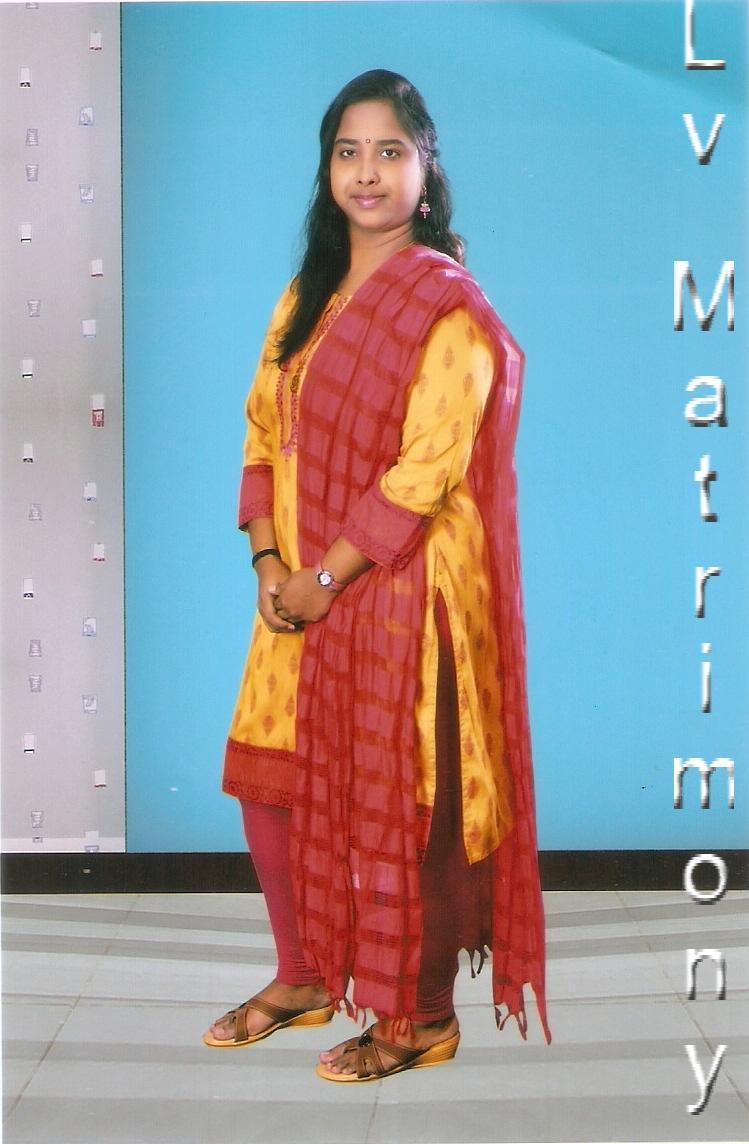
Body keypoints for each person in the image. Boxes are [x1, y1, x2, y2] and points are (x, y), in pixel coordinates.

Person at [204, 69, 550, 1081]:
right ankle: (304, 974)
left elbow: (427, 469)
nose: (367, 172)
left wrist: (327, 577)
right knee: (268, 778)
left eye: (389, 152)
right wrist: (269, 559)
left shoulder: (446, 305)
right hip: (299, 583)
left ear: (425, 170)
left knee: (410, 803)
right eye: (348, 152)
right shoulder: (303, 298)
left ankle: (421, 1016)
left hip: (404, 590)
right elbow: (261, 432)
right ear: (326, 170)